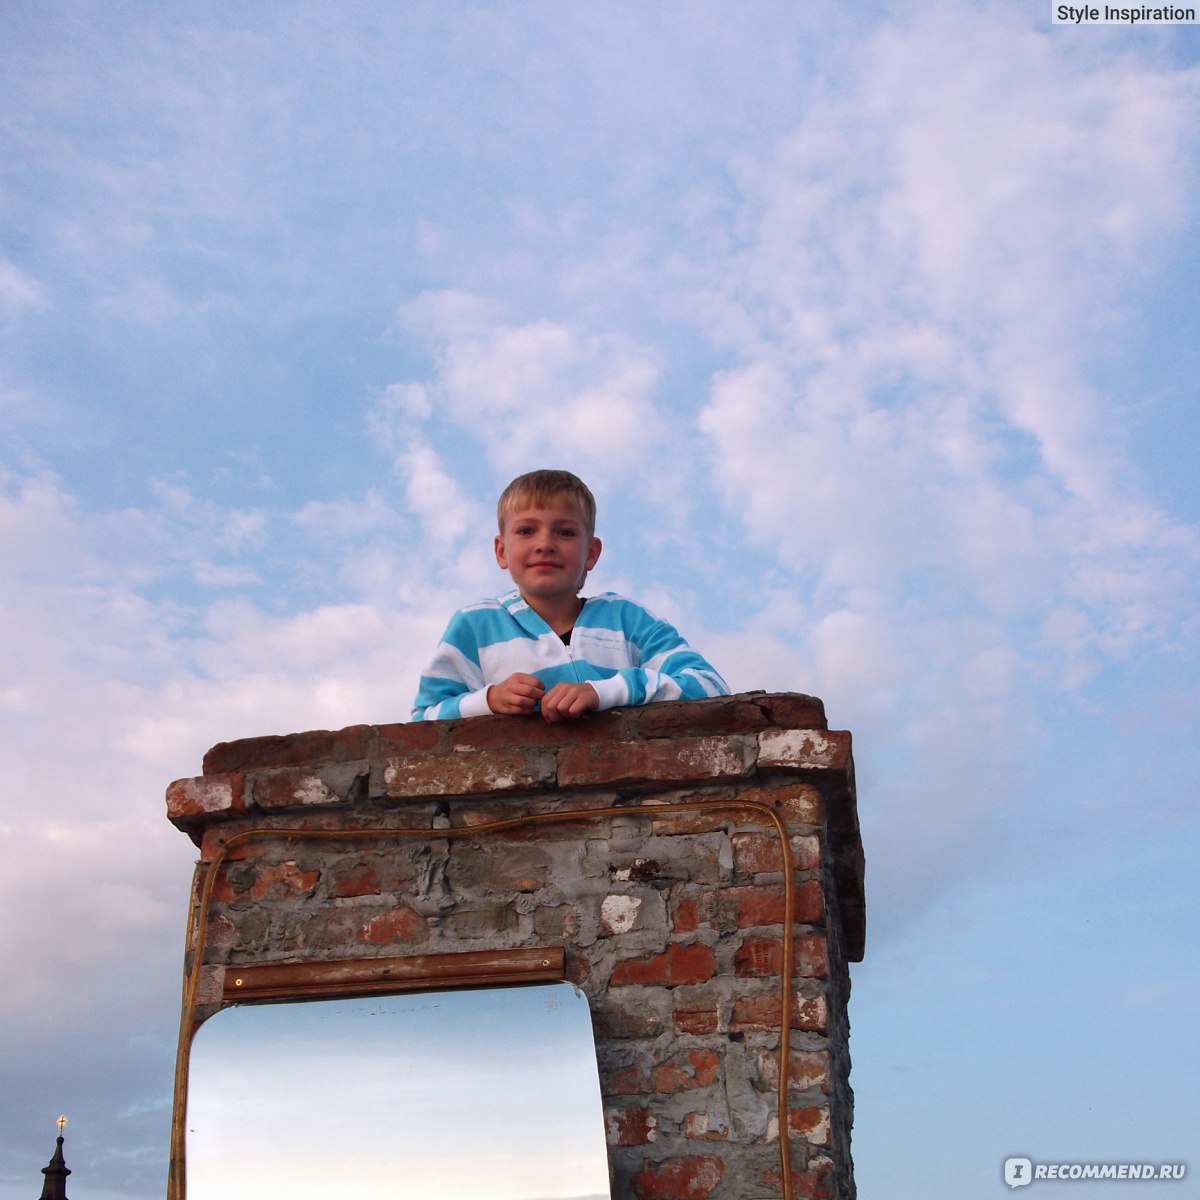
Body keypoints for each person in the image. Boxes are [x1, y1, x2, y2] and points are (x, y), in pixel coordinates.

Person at [412, 469, 729, 722]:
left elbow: (710, 686)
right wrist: (490, 700)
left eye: (565, 531)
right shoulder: (475, 625)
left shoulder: (628, 619)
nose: (545, 544)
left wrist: (605, 691)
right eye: (526, 531)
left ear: (591, 553)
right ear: (501, 551)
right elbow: (423, 720)